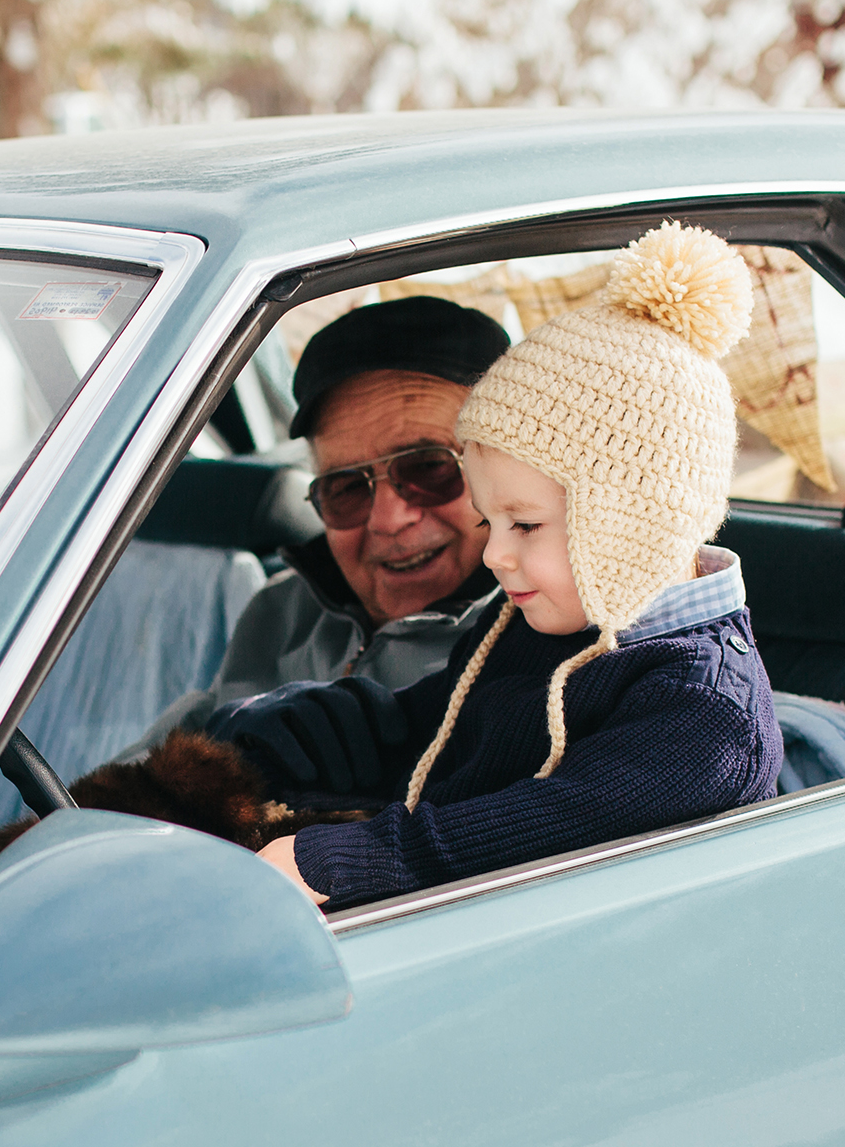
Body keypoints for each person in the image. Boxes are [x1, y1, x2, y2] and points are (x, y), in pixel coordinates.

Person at [215, 221, 782, 910]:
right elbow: (422, 720)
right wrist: (273, 738)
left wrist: (331, 863)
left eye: (525, 523)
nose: (495, 552)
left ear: (637, 514)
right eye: (491, 519)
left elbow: (529, 833)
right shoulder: (544, 622)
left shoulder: (706, 716)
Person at [125, 296, 510, 755]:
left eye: (428, 467)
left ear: (508, 462)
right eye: (346, 487)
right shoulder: (282, 613)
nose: (387, 520)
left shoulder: (545, 625)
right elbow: (166, 757)